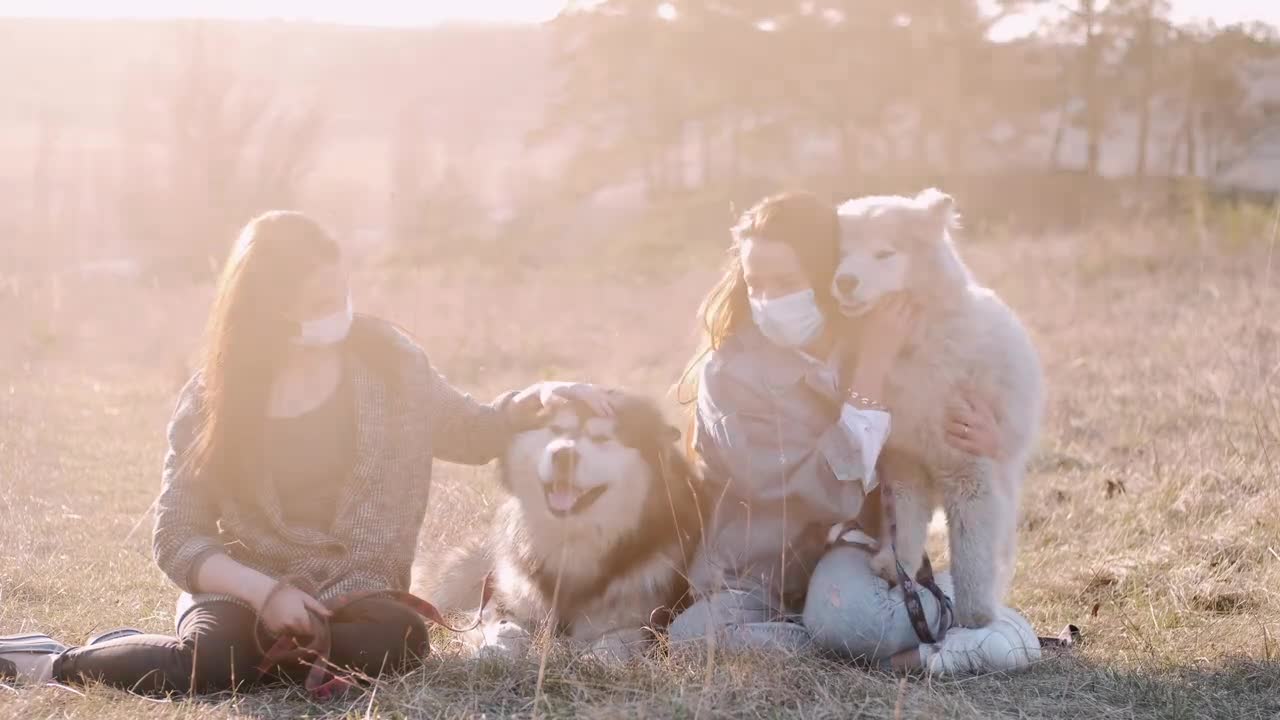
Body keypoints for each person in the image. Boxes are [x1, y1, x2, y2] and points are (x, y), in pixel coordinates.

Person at [0, 211, 611, 694]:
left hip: (356, 593)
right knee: (213, 662)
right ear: (269, 309)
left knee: (396, 644)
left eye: (340, 291)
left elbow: (470, 431)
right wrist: (267, 596)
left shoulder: (390, 365)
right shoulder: (214, 398)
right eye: (319, 302)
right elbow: (177, 536)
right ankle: (56, 663)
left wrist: (537, 399)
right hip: (242, 590)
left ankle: (279, 657)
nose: (338, 312)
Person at [668, 191, 1041, 674]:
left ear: (827, 277)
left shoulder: (875, 333)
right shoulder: (730, 374)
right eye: (755, 283)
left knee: (850, 618)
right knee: (691, 641)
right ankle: (881, 651)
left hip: (850, 556)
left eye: (786, 282)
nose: (766, 301)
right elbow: (800, 489)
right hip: (760, 571)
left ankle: (976, 616)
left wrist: (992, 439)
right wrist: (870, 377)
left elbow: (934, 451)